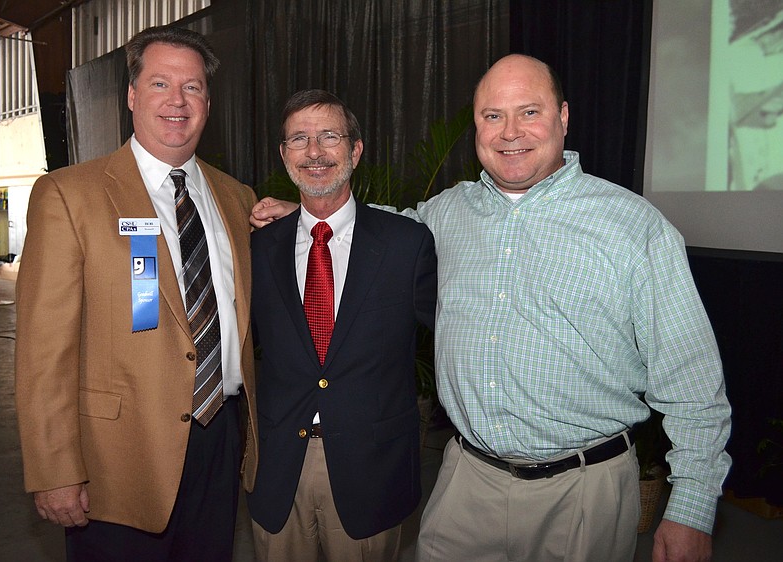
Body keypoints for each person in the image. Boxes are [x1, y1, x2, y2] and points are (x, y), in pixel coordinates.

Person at [251, 55, 732, 562]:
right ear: (476, 125)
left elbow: (693, 379)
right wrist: (308, 216)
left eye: (529, 112)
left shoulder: (634, 227)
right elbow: (375, 234)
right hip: (466, 483)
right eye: (492, 115)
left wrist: (692, 506)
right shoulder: (446, 214)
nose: (510, 132)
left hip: (583, 490)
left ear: (563, 118)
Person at [15, 25, 258, 561]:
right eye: (160, 84)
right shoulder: (69, 196)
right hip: (116, 458)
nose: (177, 101)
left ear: (208, 103)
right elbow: (43, 351)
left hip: (220, 441)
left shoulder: (237, 198)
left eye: (192, 87)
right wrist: (55, 469)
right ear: (131, 95)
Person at [246, 89, 437, 562]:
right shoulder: (257, 249)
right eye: (299, 139)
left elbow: (453, 338)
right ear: (284, 155)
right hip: (279, 469)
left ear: (355, 150)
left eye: (329, 136)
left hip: (372, 469)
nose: (314, 151)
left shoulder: (406, 244)